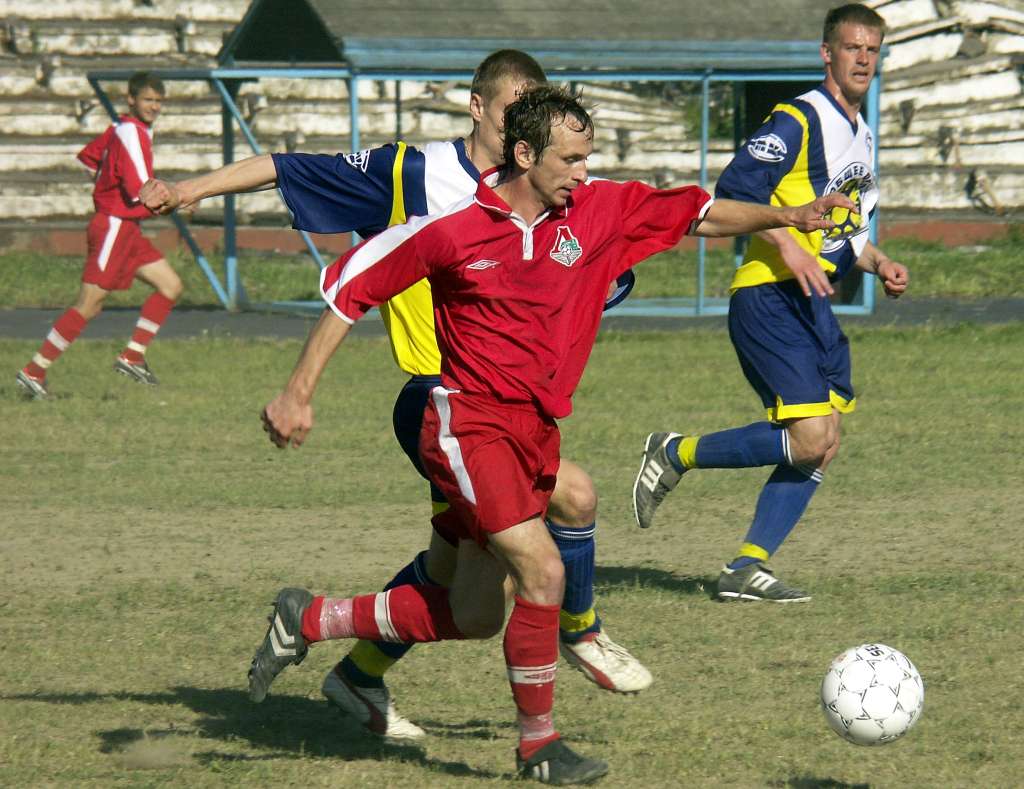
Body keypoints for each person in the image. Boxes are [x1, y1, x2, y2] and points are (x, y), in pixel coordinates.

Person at [249, 85, 853, 784]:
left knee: (473, 611)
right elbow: (346, 288)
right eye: (569, 159)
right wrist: (297, 393)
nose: (581, 173)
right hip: (466, 423)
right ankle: (539, 744)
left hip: (534, 431)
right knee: (543, 571)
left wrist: (792, 211)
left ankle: (310, 617)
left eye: (587, 158)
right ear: (525, 153)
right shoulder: (452, 227)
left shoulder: (597, 211)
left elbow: (701, 212)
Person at [141, 51, 650, 742]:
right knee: (562, 514)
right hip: (441, 402)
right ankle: (578, 637)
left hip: (499, 409)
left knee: (464, 592)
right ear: (478, 108)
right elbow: (290, 165)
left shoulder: (552, 198)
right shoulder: (414, 173)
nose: (524, 124)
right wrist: (191, 186)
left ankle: (347, 660)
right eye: (511, 111)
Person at [632, 4, 909, 602]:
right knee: (809, 435)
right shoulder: (799, 118)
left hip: (809, 304)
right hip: (767, 293)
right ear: (826, 54)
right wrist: (789, 244)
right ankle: (675, 451)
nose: (863, 58)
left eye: (872, 49)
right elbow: (734, 192)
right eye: (852, 47)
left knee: (826, 440)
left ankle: (745, 568)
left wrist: (877, 260)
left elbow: (844, 232)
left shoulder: (859, 132)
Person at [15, 72, 182, 399]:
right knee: (89, 304)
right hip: (115, 227)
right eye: (148, 100)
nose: (154, 107)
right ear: (131, 99)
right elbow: (140, 190)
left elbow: (90, 159)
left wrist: (106, 184)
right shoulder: (132, 132)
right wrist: (176, 200)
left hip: (127, 228)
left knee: (171, 286)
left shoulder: (120, 130)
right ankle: (34, 371)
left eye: (159, 101)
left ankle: (132, 355)